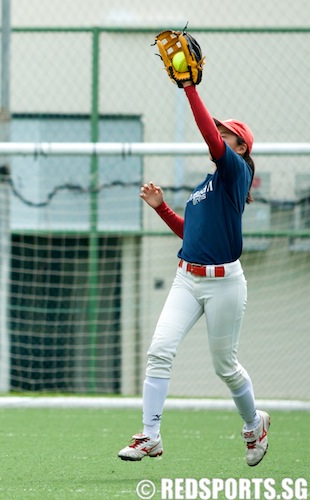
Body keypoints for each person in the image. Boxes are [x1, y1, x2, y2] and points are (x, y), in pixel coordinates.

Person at [117, 78, 270, 466]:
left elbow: (206, 133)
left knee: (225, 366)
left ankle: (255, 424)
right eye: (219, 131)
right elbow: (193, 233)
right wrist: (162, 208)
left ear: (241, 148)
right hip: (187, 278)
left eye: (227, 134)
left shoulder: (235, 173)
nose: (218, 135)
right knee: (159, 351)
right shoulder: (207, 185)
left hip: (225, 284)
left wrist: (189, 88)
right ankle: (150, 435)